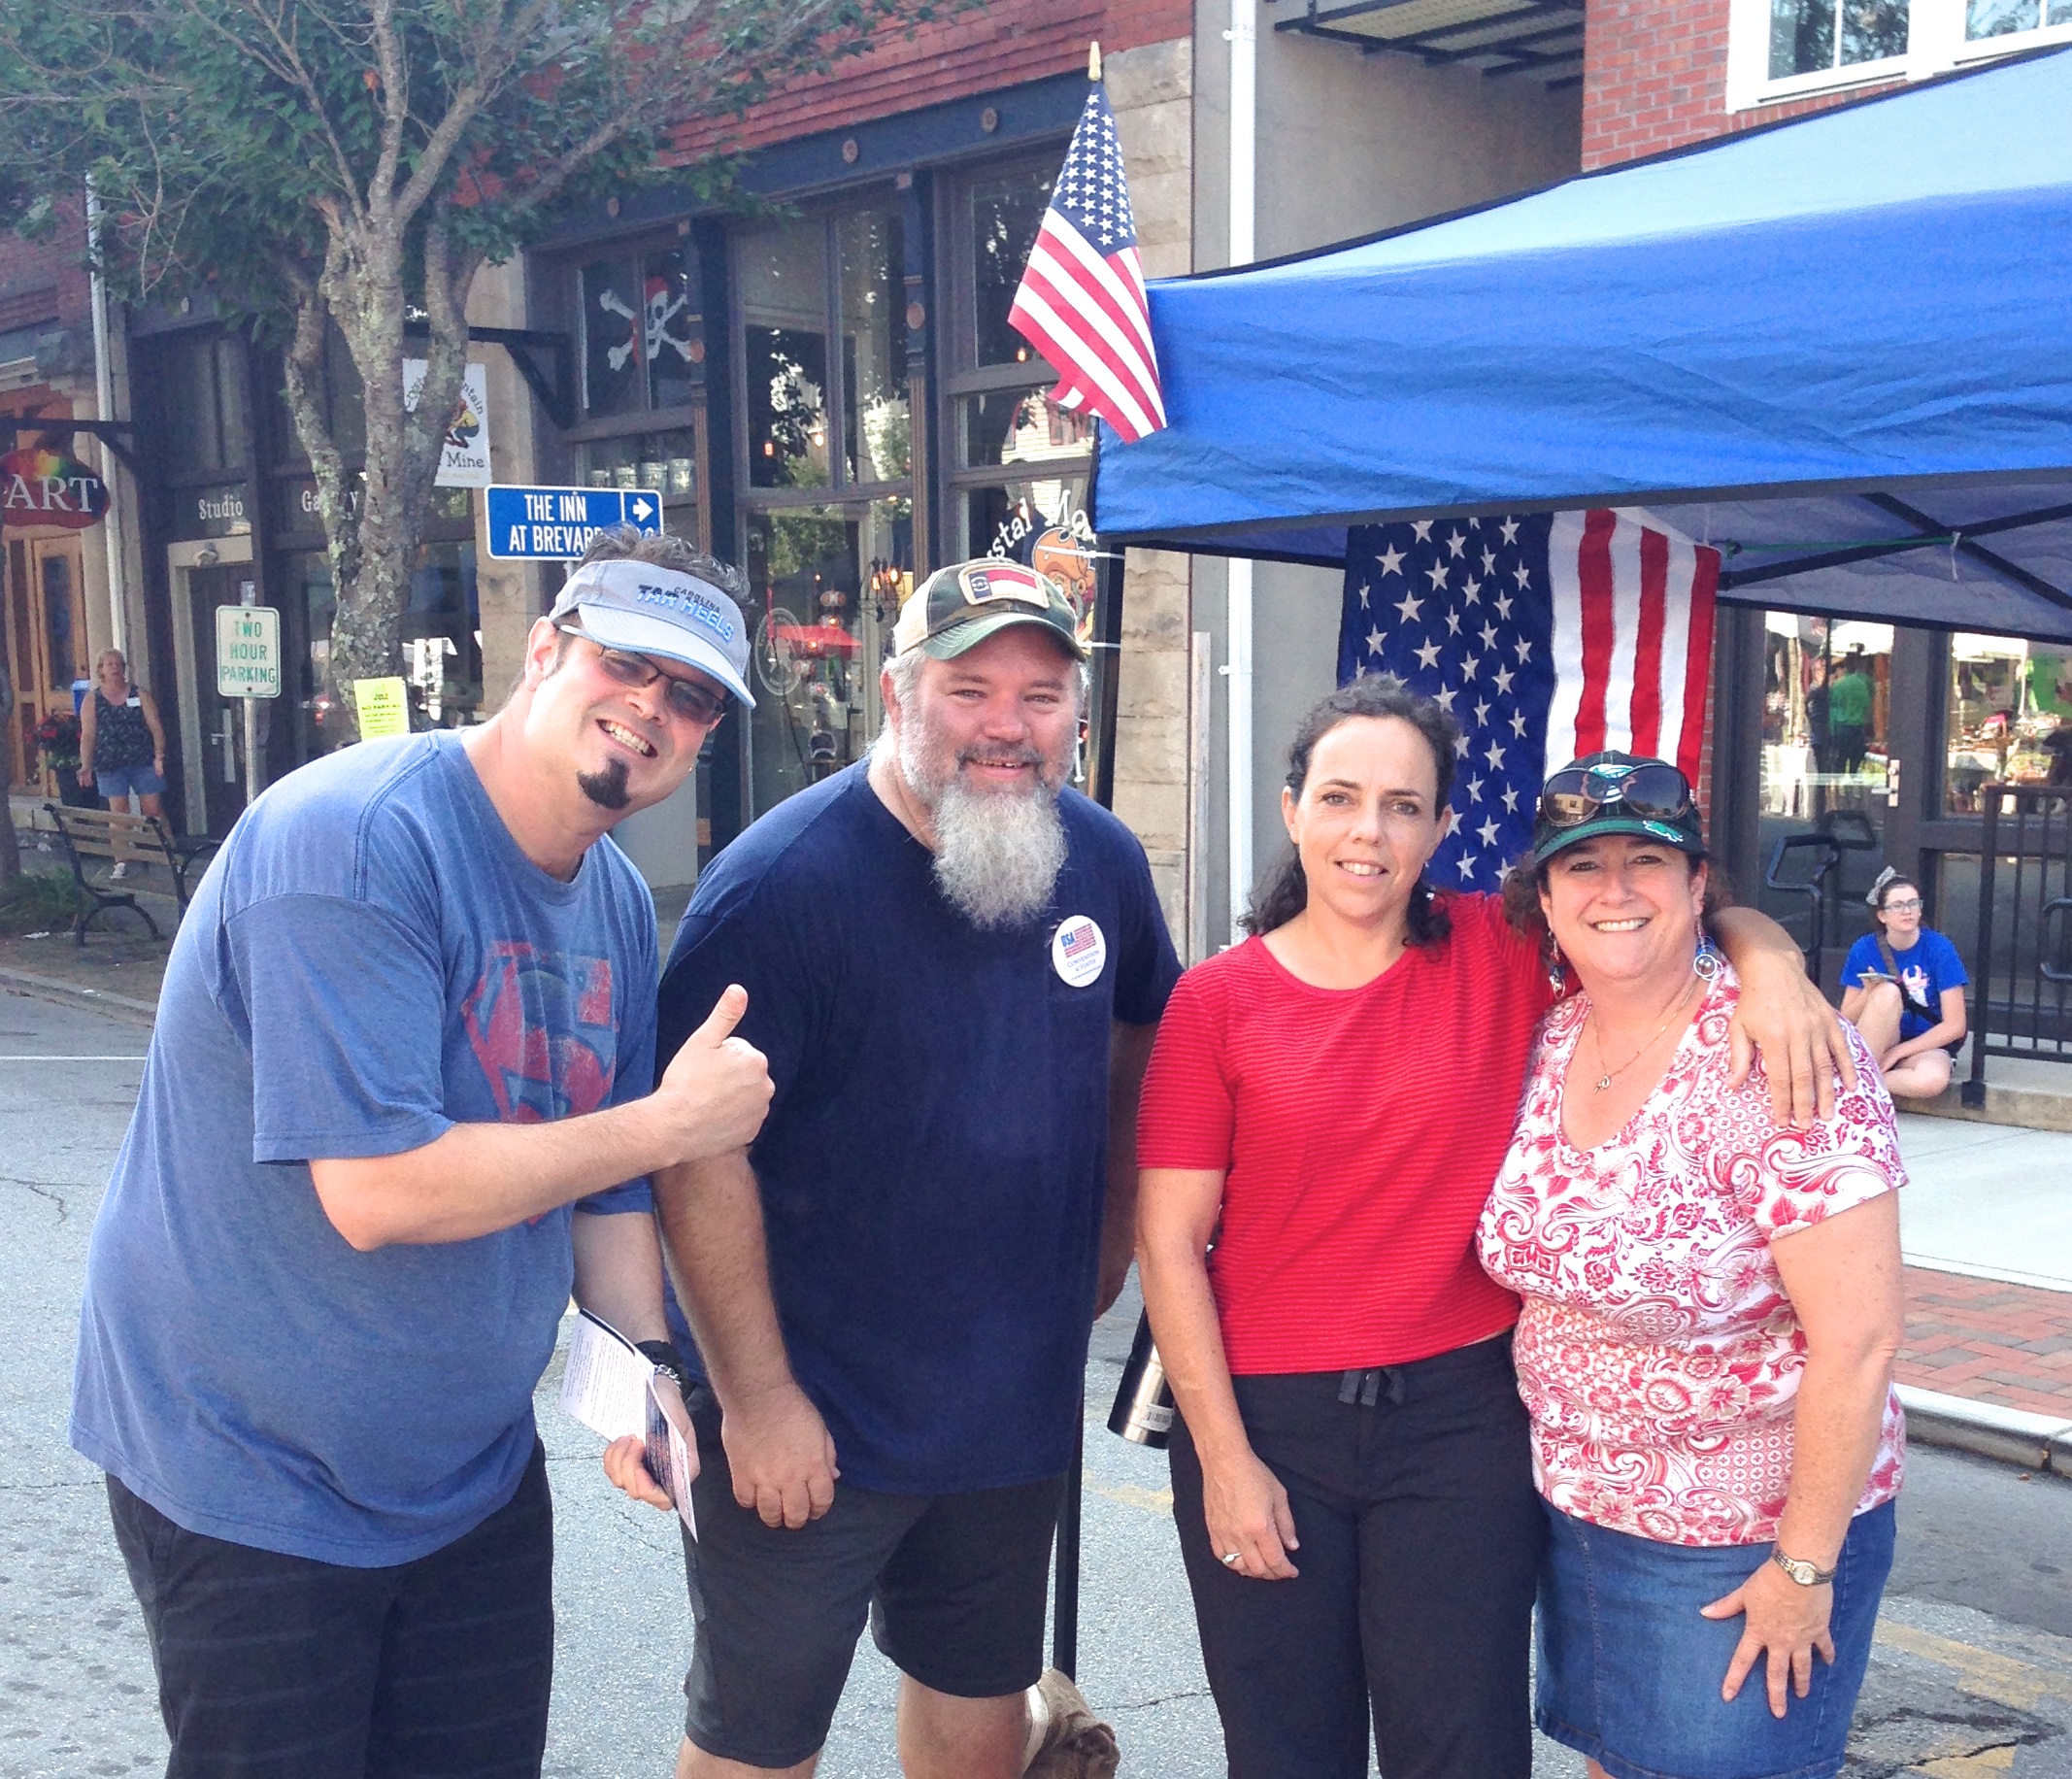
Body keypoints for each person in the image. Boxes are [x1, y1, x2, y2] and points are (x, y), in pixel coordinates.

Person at [70, 529, 775, 1778]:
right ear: (543, 650)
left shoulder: (610, 895)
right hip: (250, 1473)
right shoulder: (351, 842)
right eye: (627, 664)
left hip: (467, 1475)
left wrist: (645, 1368)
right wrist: (668, 1122)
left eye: (691, 696)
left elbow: (602, 1184)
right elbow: (378, 1189)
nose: (650, 709)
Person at [1132, 680, 1854, 1779]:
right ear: (1292, 811)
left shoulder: (1498, 945)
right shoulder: (1217, 1001)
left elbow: (1653, 913)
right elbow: (1169, 1242)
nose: (1368, 832)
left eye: (1402, 804)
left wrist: (1770, 960)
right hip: (1266, 1419)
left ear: (1440, 826)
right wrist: (1224, 1459)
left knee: (1461, 1745)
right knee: (1282, 1748)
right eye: (1339, 797)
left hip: (1459, 1422)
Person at [629, 557, 1180, 1779]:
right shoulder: (782, 886)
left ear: (1076, 713)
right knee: (756, 1747)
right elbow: (686, 1151)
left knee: (979, 1717)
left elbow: (1147, 1031)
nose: (1006, 724)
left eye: (1039, 696)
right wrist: (758, 1401)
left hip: (1005, 1409)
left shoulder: (1096, 859)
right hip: (812, 1413)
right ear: (895, 692)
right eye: (968, 686)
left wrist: (1112, 1233)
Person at [1479, 751, 1906, 1779]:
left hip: (1740, 1539)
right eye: (1583, 865)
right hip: (1576, 1515)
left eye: (1646, 862)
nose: (1614, 890)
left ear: (1697, 884)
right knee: (1614, 1759)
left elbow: (1858, 1340)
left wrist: (1802, 1565)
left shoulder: (1778, 1058)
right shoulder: (1548, 1036)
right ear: (1545, 894)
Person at [1840, 867, 1968, 1099]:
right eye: (1897, 906)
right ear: (1882, 915)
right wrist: (1869, 993)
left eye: (1913, 903)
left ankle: (1855, 1084)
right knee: (1888, 992)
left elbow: (1955, 1025)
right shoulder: (1864, 949)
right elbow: (1845, 1019)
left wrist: (1898, 1052)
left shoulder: (1939, 948)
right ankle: (1860, 1079)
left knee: (1931, 1080)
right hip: (1879, 1039)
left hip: (1923, 1045)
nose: (1907, 911)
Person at [78, 648, 168, 876]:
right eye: (110, 664)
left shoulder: (139, 694)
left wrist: (159, 755)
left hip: (142, 759)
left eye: (119, 664)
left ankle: (169, 856)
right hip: (109, 763)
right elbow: (88, 734)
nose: (115, 668)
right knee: (119, 813)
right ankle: (121, 862)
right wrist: (85, 765)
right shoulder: (93, 699)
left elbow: (155, 725)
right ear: (101, 670)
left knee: (153, 809)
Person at [1826, 648, 1873, 776]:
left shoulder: (1838, 685)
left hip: (1841, 728)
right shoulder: (1862, 684)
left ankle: (1836, 788)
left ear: (1845, 666)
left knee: (1839, 762)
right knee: (1854, 763)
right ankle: (1851, 789)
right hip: (1857, 728)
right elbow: (1867, 705)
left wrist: (1831, 731)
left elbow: (1832, 707)